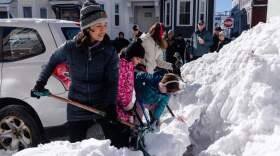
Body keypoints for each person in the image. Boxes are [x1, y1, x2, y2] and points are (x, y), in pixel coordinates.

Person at [30, 0, 121, 147]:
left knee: (115, 145)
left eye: (105, 25)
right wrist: (40, 83)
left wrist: (110, 105)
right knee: (76, 147)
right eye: (98, 26)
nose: (103, 30)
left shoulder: (109, 51)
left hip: (101, 107)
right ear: (86, 28)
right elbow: (51, 62)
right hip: (76, 107)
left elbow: (113, 82)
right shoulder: (70, 48)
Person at [115, 39, 145, 147]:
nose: (139, 61)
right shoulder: (123, 66)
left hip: (126, 104)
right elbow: (121, 89)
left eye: (140, 59)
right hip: (120, 106)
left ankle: (127, 146)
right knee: (122, 131)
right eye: (137, 58)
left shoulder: (129, 65)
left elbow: (128, 86)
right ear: (131, 55)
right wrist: (126, 106)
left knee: (128, 126)